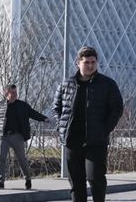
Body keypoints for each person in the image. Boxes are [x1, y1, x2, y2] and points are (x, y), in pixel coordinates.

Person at [53, 46, 124, 202]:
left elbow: (117, 108)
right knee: (76, 182)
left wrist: (105, 129)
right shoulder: (67, 84)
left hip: (96, 141)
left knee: (95, 178)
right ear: (78, 63)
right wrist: (61, 127)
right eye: (86, 62)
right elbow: (56, 107)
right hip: (72, 140)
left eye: (93, 62)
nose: (90, 65)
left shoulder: (107, 84)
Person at [0, 83, 48, 189]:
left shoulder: (22, 105)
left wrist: (44, 118)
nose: (14, 95)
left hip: (17, 136)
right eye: (12, 93)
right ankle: (0, 181)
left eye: (15, 93)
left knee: (22, 159)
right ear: (6, 93)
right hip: (3, 136)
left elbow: (33, 113)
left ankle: (28, 178)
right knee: (1, 159)